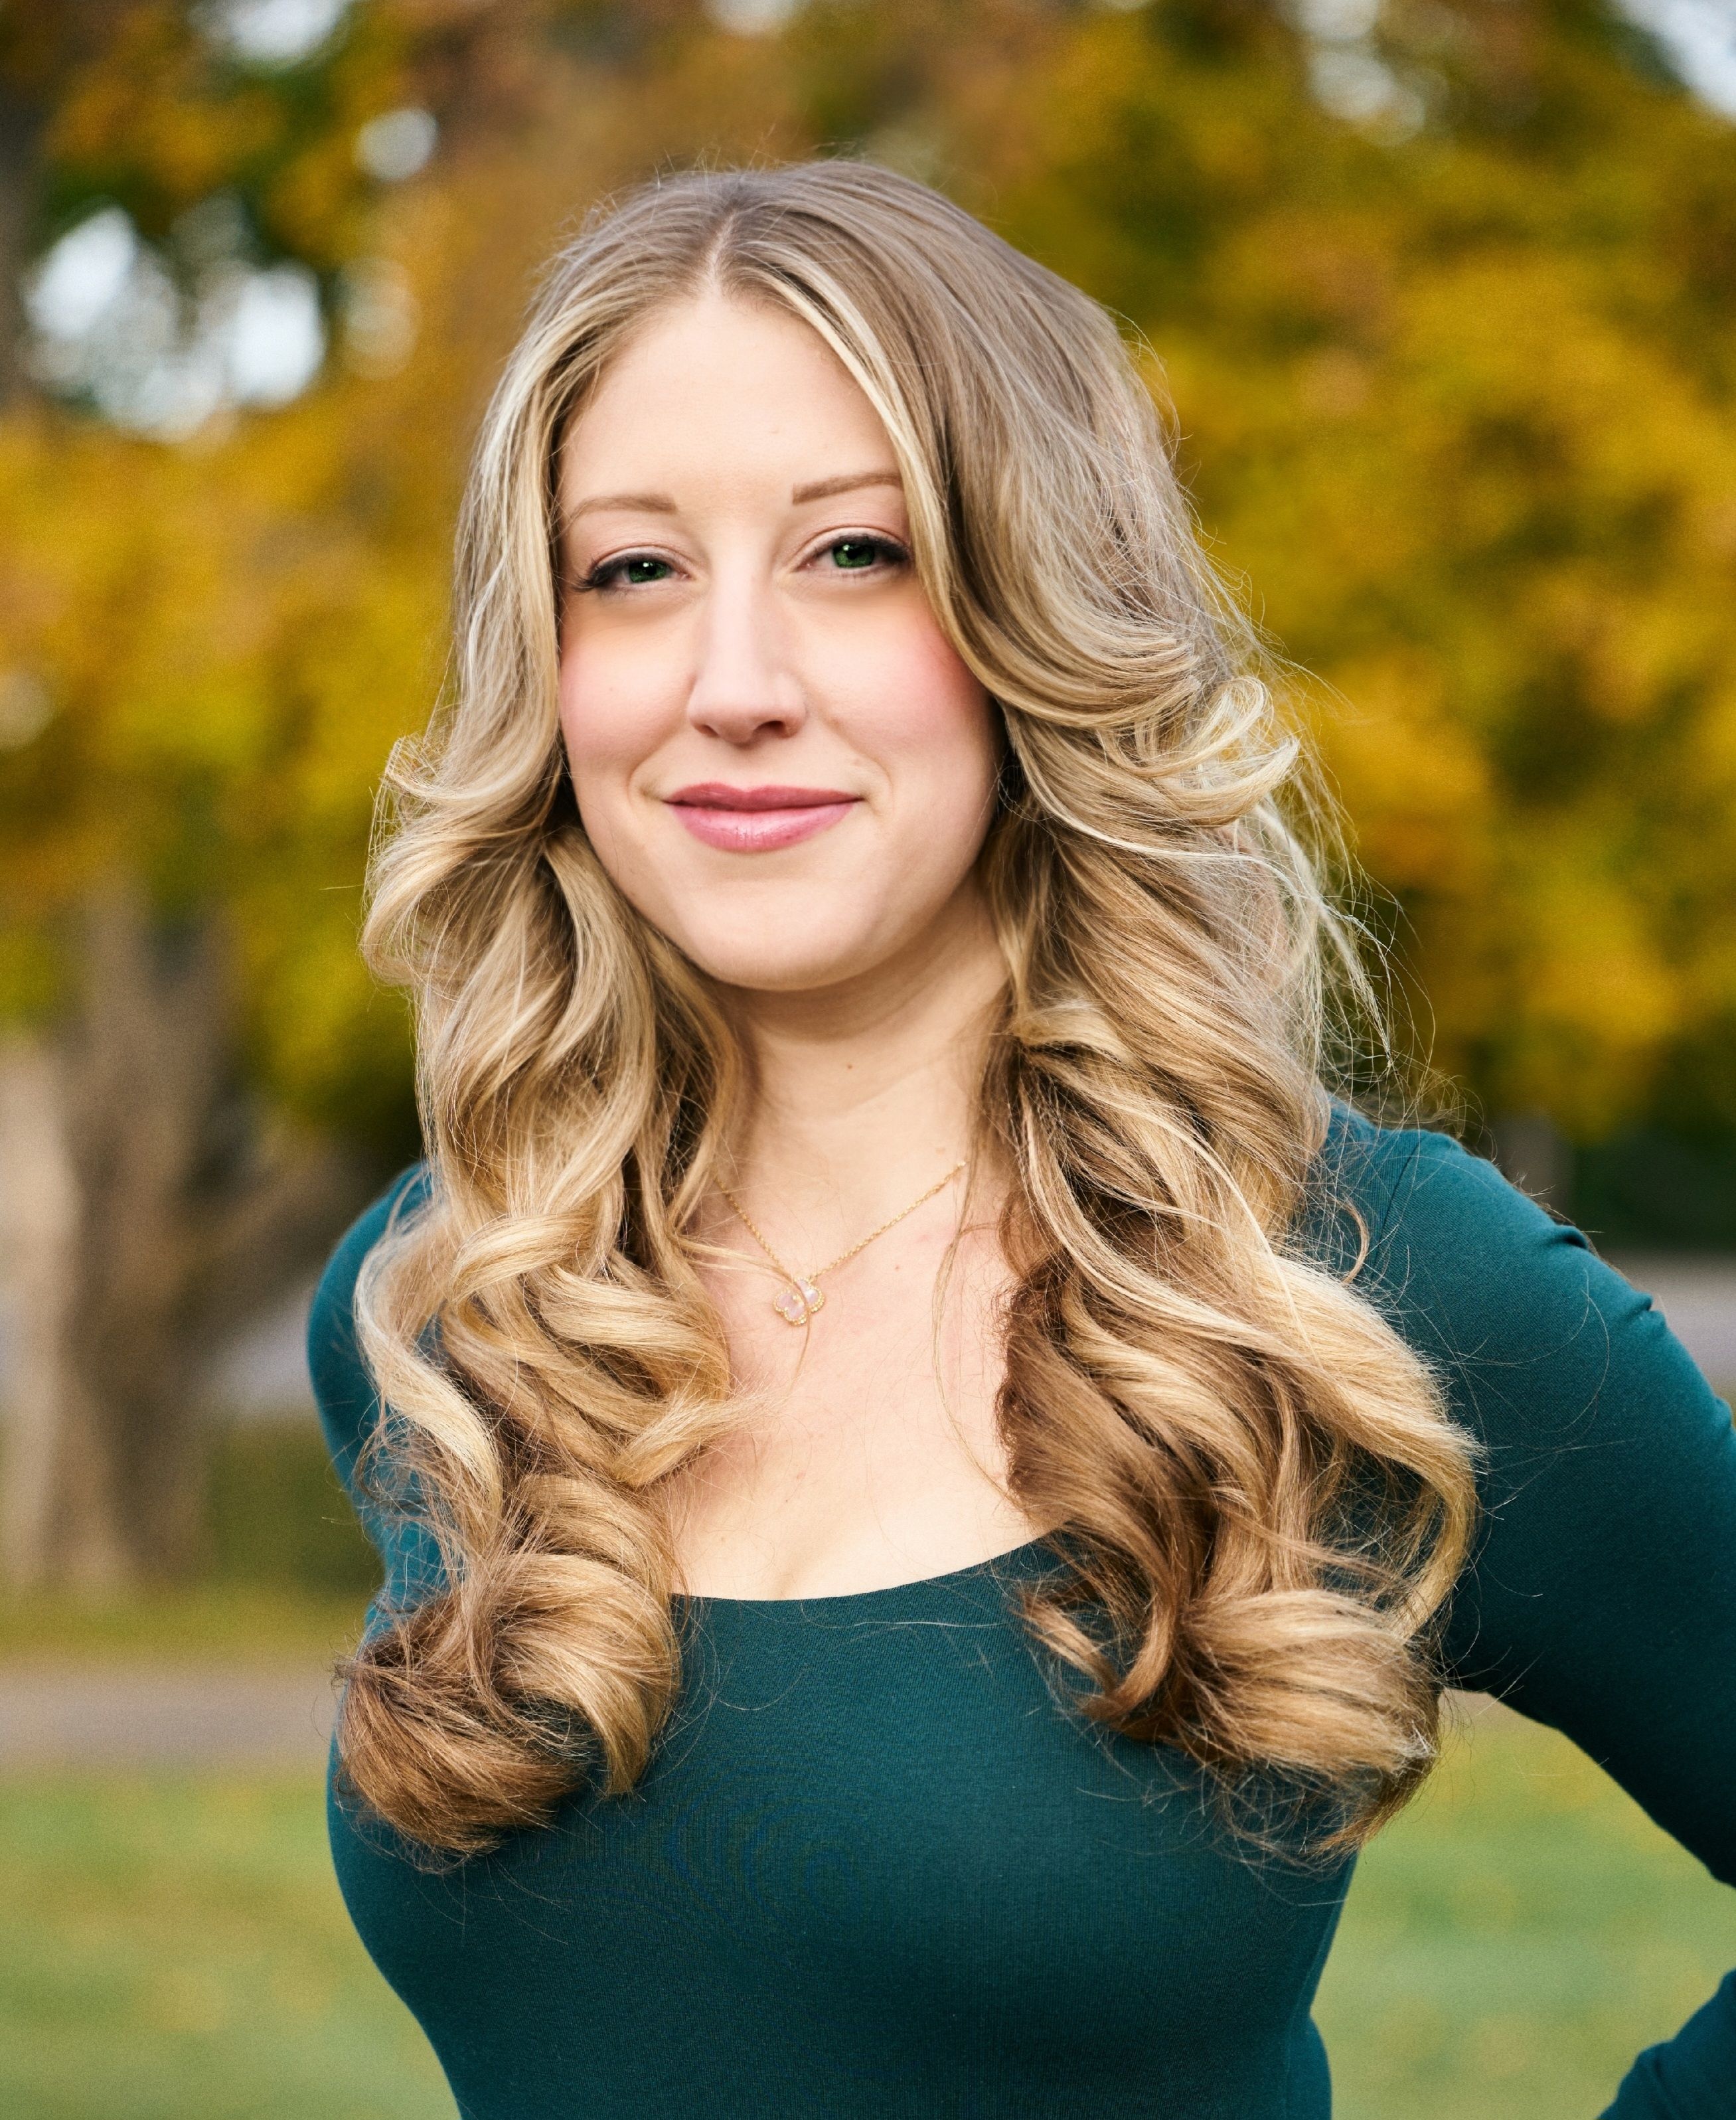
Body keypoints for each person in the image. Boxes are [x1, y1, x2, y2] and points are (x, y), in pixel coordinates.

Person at [309, 161, 1735, 2118]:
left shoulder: (1355, 1285)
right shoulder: (443, 1307)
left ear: (1031, 614)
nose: (734, 685)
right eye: (633, 569)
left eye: (856, 554)